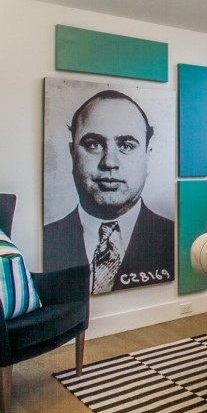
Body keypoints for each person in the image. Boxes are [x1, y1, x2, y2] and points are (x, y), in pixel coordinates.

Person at [44, 90, 174, 293]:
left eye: (126, 146)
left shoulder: (174, 239)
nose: (109, 162)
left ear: (147, 156)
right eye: (93, 144)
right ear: (72, 154)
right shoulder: (46, 240)